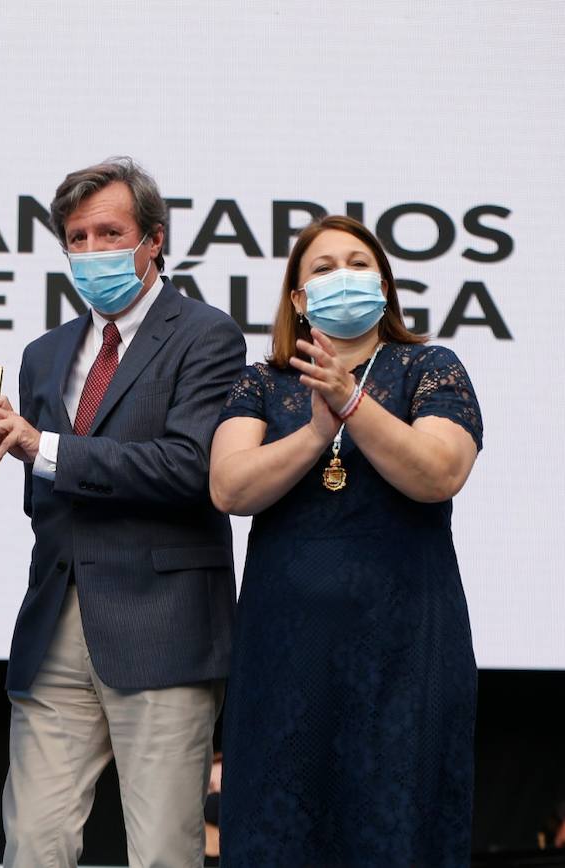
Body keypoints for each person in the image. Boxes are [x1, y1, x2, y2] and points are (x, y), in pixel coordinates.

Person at [0, 157, 246, 868]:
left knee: (162, 852)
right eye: (77, 236)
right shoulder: (44, 354)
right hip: (55, 623)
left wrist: (49, 448)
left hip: (162, 625)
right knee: (33, 846)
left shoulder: (206, 336)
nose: (93, 250)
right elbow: (44, 494)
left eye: (110, 232)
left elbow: (191, 467)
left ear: (153, 239)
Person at [209, 214, 482, 864]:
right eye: (324, 268)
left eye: (359, 264)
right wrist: (313, 431)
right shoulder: (261, 381)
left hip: (405, 652)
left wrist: (354, 405)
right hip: (284, 656)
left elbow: (440, 472)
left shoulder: (429, 367)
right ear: (299, 300)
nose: (345, 277)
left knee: (396, 833)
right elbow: (228, 488)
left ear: (384, 286)